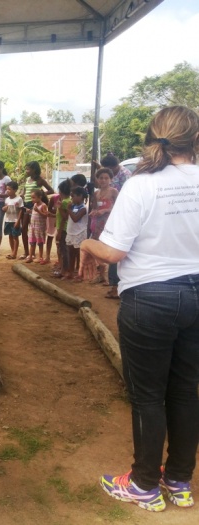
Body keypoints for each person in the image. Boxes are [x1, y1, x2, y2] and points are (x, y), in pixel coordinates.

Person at [79, 106, 199, 512]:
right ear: (195, 140)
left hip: (151, 299)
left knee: (149, 396)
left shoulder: (141, 185)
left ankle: (145, 483)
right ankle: (179, 481)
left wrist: (86, 244)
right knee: (185, 391)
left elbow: (113, 252)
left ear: (152, 139)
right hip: (197, 295)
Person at [89, 168, 118, 288]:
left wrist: (105, 210)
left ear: (111, 179)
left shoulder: (114, 192)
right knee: (97, 248)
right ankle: (100, 274)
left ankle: (109, 276)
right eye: (101, 178)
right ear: (97, 179)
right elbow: (95, 207)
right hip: (97, 224)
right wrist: (94, 212)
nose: (103, 180)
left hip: (109, 223)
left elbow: (119, 207)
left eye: (106, 178)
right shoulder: (96, 193)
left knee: (108, 248)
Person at [18, 161, 53, 260]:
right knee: (24, 229)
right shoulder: (27, 179)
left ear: (34, 170)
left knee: (33, 229)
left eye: (28, 169)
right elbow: (25, 191)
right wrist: (22, 195)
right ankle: (27, 252)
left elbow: (51, 190)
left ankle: (33, 253)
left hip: (34, 205)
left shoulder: (40, 180)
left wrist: (41, 195)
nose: (26, 171)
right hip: (26, 204)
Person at [66, 187, 88, 281]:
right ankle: (70, 272)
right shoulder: (73, 206)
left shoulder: (83, 208)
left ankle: (80, 274)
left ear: (80, 196)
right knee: (71, 253)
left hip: (79, 232)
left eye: (73, 196)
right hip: (71, 232)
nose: (71, 198)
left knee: (79, 254)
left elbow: (75, 219)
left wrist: (68, 209)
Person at [52, 180, 71, 279]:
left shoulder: (64, 202)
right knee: (63, 250)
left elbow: (65, 217)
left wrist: (59, 208)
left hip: (63, 229)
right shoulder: (67, 200)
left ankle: (64, 270)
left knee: (64, 250)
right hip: (63, 228)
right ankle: (63, 269)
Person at [2, 181, 23, 260]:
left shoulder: (19, 199)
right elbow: (5, 208)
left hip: (15, 220)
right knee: (10, 236)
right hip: (8, 220)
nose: (7, 191)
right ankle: (12, 252)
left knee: (15, 237)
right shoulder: (7, 199)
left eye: (9, 189)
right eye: (7, 189)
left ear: (15, 190)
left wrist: (18, 221)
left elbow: (21, 210)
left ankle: (15, 253)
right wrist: (4, 208)